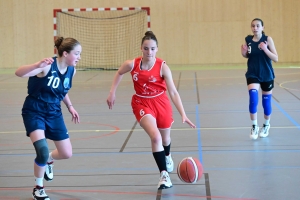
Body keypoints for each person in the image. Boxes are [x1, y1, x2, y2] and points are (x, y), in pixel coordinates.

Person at [107, 31, 196, 189]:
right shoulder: (132, 64)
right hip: (141, 102)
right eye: (146, 48)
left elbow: (173, 92)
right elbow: (119, 73)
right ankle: (164, 175)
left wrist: (183, 113)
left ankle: (167, 155)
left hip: (161, 102)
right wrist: (112, 91)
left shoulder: (163, 67)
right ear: (141, 48)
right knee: (156, 138)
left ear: (157, 49)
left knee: (165, 139)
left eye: (153, 49)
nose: (149, 52)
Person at [15, 37, 81, 200]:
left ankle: (50, 160)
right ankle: (38, 189)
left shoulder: (72, 70)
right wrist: (37, 65)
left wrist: (70, 106)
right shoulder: (46, 66)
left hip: (54, 111)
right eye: (77, 53)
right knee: (42, 151)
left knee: (66, 153)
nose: (79, 57)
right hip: (34, 110)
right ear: (65, 53)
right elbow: (19, 73)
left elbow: (62, 89)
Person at [241, 18, 278, 140]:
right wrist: (244, 53)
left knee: (266, 102)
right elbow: (248, 55)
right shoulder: (248, 40)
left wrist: (265, 49)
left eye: (258, 26)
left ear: (263, 27)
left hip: (266, 74)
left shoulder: (267, 39)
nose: (255, 28)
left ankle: (266, 125)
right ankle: (254, 126)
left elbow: (276, 58)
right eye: (253, 26)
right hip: (253, 73)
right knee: (253, 96)